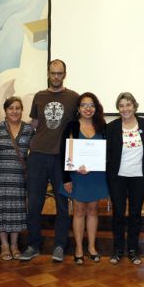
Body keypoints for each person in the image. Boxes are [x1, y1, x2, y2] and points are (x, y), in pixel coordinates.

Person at [20, 59, 79, 262]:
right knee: (34, 203)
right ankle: (33, 245)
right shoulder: (39, 96)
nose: (56, 76)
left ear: (65, 74)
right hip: (37, 155)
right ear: (48, 73)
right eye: (53, 73)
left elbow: (79, 126)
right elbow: (35, 123)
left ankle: (60, 246)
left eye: (60, 73)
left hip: (61, 158)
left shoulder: (74, 97)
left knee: (63, 204)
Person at [60, 92, 109, 265]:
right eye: (84, 105)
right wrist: (66, 178)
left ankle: (92, 247)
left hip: (96, 176)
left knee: (93, 211)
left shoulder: (103, 126)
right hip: (77, 176)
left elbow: (107, 153)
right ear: (78, 108)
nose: (88, 109)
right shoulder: (71, 126)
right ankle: (79, 248)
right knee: (79, 211)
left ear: (96, 108)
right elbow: (64, 152)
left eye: (91, 105)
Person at [0, 97, 34, 261]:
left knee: (17, 211)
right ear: (5, 110)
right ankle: (4, 245)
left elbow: (34, 153)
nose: (14, 111)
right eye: (11, 108)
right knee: (2, 209)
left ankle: (14, 245)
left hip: (19, 178)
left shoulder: (29, 129)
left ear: (22, 110)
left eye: (18, 108)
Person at [106, 92, 144, 265]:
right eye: (121, 105)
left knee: (135, 214)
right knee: (118, 213)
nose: (125, 109)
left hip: (139, 177)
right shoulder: (111, 127)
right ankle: (117, 249)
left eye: (128, 105)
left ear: (135, 106)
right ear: (118, 108)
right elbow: (107, 154)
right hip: (117, 177)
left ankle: (132, 249)